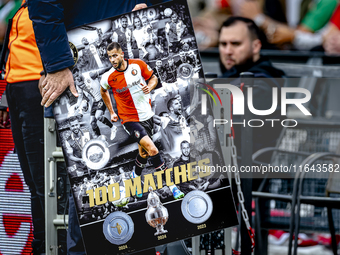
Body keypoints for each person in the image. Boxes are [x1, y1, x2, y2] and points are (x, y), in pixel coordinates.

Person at [28, 2, 170, 254]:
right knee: (93, 192)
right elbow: (44, 6)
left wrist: (153, 7)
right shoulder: (99, 75)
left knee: (139, 213)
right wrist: (59, 63)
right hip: (89, 94)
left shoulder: (131, 62)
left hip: (133, 106)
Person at [100, 42, 184, 200]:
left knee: (143, 153)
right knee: (152, 150)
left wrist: (150, 87)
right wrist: (111, 111)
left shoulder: (138, 65)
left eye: (115, 55)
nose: (112, 59)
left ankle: (135, 178)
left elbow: (153, 78)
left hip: (147, 116)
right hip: (129, 120)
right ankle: (172, 187)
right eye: (109, 57)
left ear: (122, 54)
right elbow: (103, 91)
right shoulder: (108, 77)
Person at [0, 1, 45, 254]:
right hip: (16, 91)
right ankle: (41, 245)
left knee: (42, 180)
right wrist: (6, 99)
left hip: (36, 91)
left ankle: (47, 246)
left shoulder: (51, 6)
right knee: (32, 179)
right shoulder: (21, 5)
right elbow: (12, 54)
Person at [218, 16, 285, 157]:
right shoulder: (230, 77)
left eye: (235, 44)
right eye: (223, 44)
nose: (227, 51)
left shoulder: (263, 84)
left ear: (255, 46)